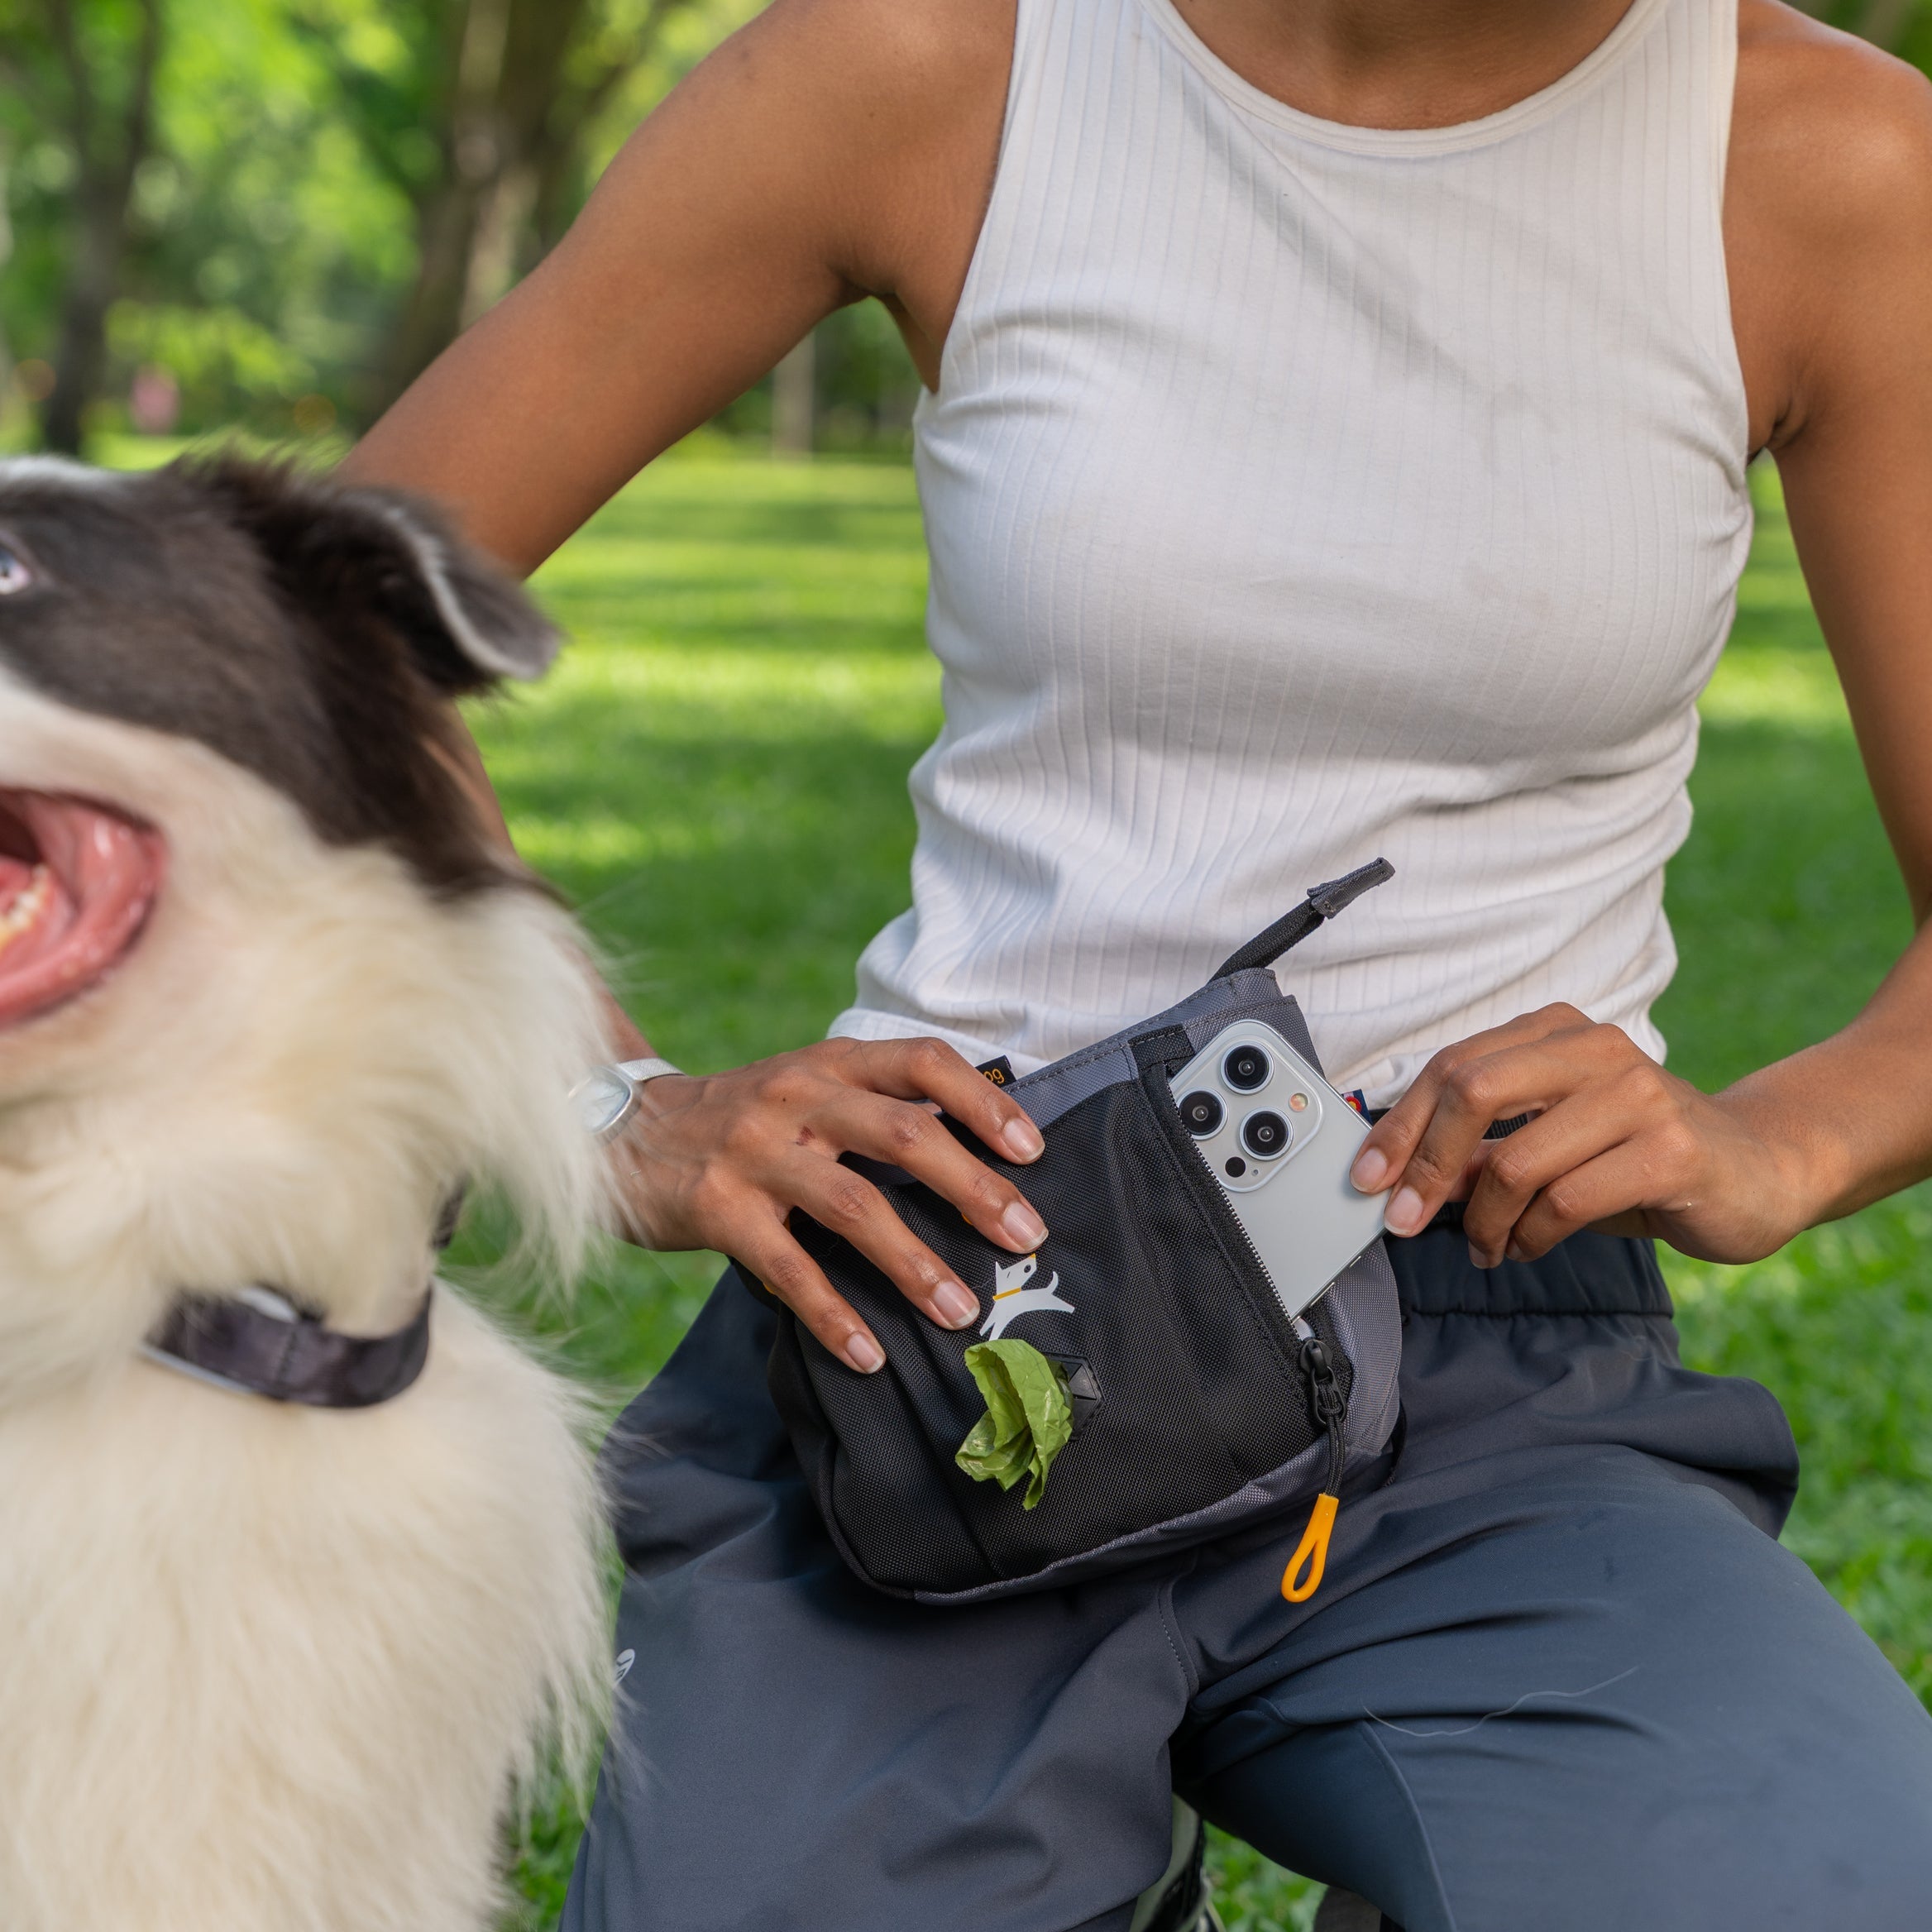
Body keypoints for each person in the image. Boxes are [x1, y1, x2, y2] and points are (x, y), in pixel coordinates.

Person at [342, 0, 1932, 1923]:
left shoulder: (1832, 163)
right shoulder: (927, 66)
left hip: (1487, 1354)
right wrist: (606, 1103)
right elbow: (321, 629)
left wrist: (1778, 1146)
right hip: (947, 1320)